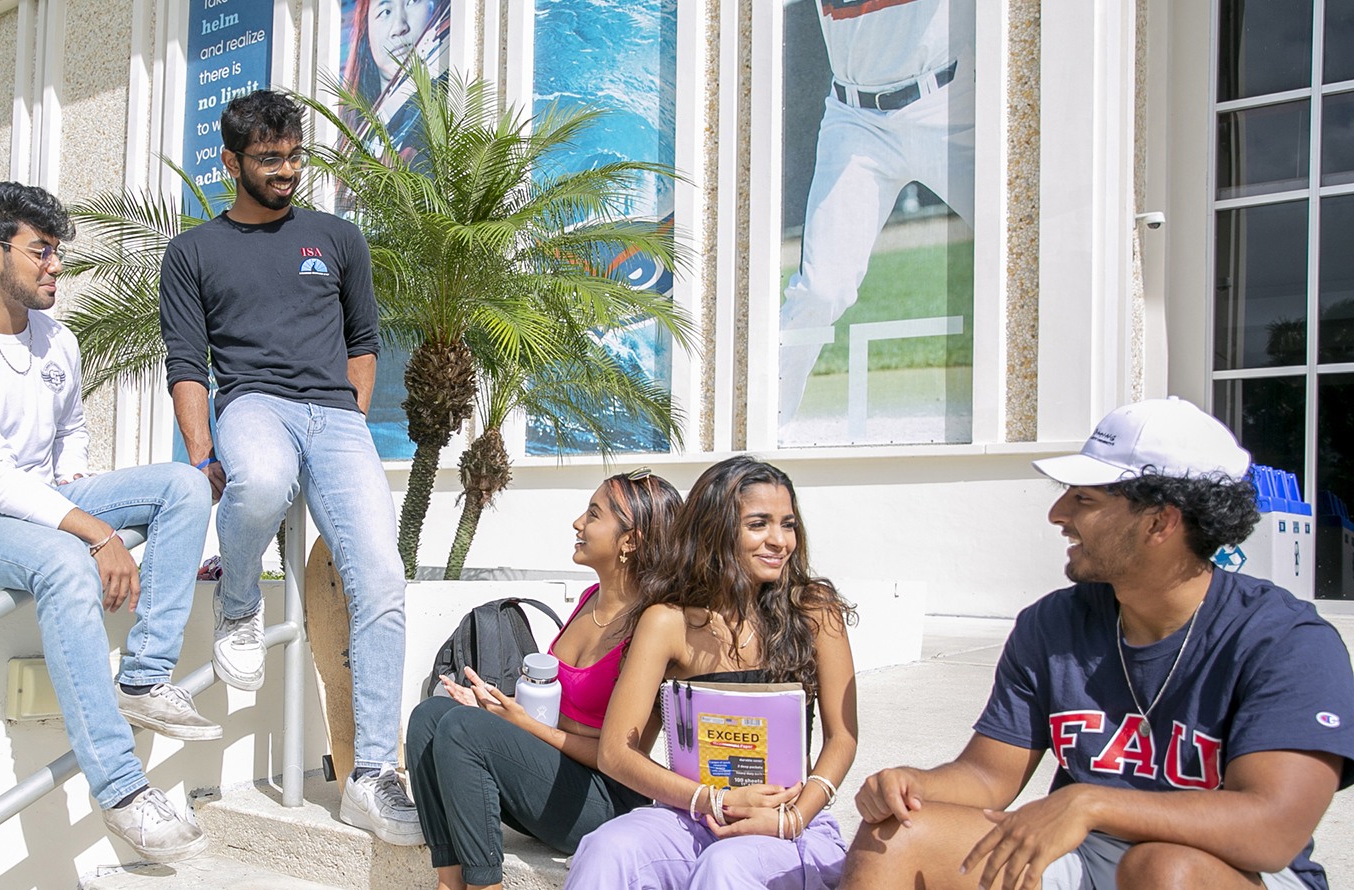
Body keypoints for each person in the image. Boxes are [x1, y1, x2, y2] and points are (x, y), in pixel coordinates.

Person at [841, 397, 1354, 890]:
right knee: (896, 834)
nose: (1058, 513)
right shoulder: (1053, 624)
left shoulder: (1287, 642)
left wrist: (1090, 803)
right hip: (1085, 850)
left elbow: (1271, 830)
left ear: (1160, 522)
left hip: (1228, 869)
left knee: (1162, 870)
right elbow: (986, 776)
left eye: (1084, 498)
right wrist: (911, 784)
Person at [0, 182, 216, 863]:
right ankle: (123, 794)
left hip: (38, 500)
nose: (56, 266)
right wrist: (97, 533)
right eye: (41, 250)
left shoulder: (58, 340)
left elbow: (69, 435)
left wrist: (78, 496)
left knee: (182, 486)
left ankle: (142, 678)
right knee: (61, 561)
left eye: (57, 252)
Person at [157, 90, 420, 845]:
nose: (286, 169)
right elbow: (186, 362)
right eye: (269, 158)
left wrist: (351, 420)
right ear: (231, 161)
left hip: (335, 416)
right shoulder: (193, 252)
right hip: (252, 406)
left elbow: (363, 338)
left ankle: (370, 775)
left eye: (295, 155)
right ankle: (238, 604)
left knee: (382, 579)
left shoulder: (338, 238)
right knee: (263, 483)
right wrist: (202, 452)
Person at [567, 456, 860, 889]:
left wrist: (794, 818)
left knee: (726, 865)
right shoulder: (668, 621)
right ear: (717, 528)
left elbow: (843, 738)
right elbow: (616, 752)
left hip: (787, 823)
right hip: (691, 813)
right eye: (759, 524)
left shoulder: (814, 611)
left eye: (788, 524)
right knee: (606, 848)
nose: (780, 541)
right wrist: (712, 799)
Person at [407, 470, 684, 890]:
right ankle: (450, 881)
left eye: (593, 514)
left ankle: (485, 886)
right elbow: (553, 709)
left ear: (630, 541)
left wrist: (519, 724)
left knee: (464, 728)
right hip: (547, 777)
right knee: (430, 716)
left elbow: (621, 756)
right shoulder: (591, 599)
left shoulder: (651, 627)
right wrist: (497, 709)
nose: (578, 523)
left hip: (602, 800)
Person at [777, 0, 975, 435]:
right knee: (819, 290)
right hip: (855, 118)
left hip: (949, 99)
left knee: (1020, 248)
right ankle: (761, 429)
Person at [340, 0, 447, 154]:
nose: (399, 27)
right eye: (385, 12)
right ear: (366, 30)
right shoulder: (359, 127)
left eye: (412, 2)